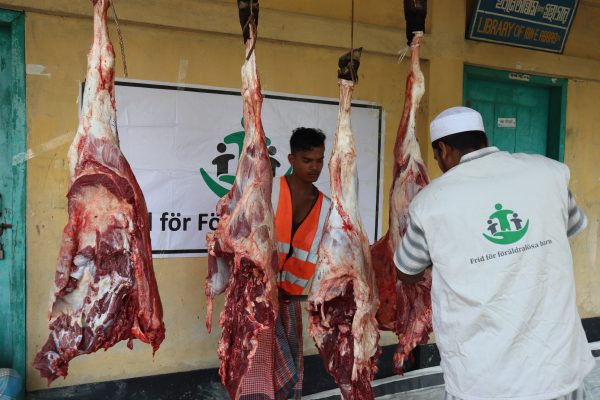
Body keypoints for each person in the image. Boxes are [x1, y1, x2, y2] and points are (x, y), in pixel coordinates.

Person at [393, 106, 593, 399]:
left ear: (443, 150)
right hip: (558, 368)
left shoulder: (431, 202)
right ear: (484, 140)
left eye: (437, 157)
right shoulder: (549, 173)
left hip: (485, 379)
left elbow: (406, 270)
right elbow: (571, 226)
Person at [240, 127, 330, 400]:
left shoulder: (327, 207)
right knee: (256, 372)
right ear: (291, 159)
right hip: (258, 300)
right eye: (307, 160)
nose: (314, 167)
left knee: (289, 374)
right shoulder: (269, 190)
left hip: (291, 301)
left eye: (319, 161)